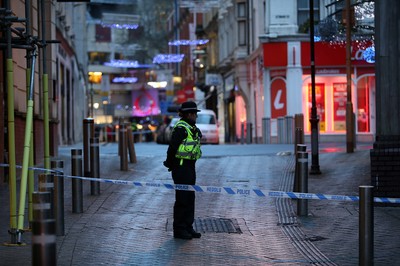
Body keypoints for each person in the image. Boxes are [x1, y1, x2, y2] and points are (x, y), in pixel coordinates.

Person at [163, 101, 202, 240]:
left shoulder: (192, 128)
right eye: (194, 114)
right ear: (188, 114)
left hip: (190, 167)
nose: (195, 116)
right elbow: (172, 148)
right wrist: (169, 164)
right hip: (180, 167)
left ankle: (188, 226)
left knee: (190, 197)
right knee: (182, 199)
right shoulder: (181, 128)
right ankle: (179, 229)